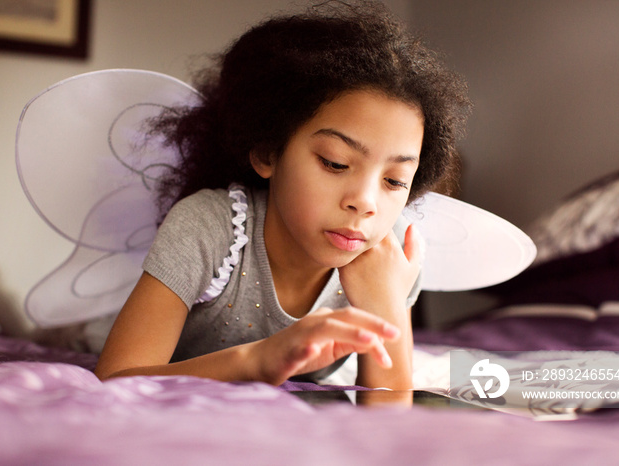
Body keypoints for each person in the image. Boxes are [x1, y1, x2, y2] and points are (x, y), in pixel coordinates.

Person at [91, 1, 471, 389]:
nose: (366, 202)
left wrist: (388, 305)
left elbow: (388, 416)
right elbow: (116, 378)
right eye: (336, 163)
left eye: (394, 181)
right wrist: (257, 360)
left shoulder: (388, 263)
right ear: (268, 152)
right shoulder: (209, 229)